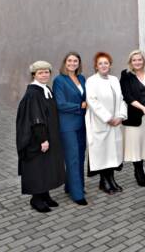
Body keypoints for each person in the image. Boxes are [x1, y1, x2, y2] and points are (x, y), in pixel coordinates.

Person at [16, 61, 65, 213]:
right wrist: (43, 139)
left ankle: (45, 194)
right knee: (37, 167)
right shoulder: (33, 93)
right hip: (37, 139)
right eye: (40, 72)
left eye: (47, 72)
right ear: (34, 75)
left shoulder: (45, 89)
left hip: (49, 136)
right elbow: (36, 119)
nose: (44, 75)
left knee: (46, 166)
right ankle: (36, 199)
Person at [85, 52, 127, 195]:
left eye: (106, 63)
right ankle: (104, 182)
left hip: (115, 124)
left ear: (110, 65)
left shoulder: (114, 80)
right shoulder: (91, 81)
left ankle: (112, 180)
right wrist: (108, 118)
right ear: (96, 66)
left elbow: (121, 99)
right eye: (100, 63)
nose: (103, 65)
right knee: (103, 154)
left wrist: (121, 116)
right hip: (101, 123)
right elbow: (92, 101)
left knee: (112, 154)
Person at [120, 50, 145, 187]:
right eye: (134, 60)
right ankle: (138, 172)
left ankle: (141, 170)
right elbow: (127, 96)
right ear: (130, 62)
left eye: (139, 59)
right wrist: (142, 108)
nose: (137, 62)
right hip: (134, 117)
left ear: (144, 61)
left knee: (143, 144)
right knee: (135, 146)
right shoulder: (125, 75)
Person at [53, 52, 87, 206]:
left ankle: (72, 186)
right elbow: (59, 104)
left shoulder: (81, 78)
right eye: (70, 60)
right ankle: (77, 194)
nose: (73, 63)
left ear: (79, 63)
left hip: (82, 124)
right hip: (67, 125)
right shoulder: (59, 80)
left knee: (80, 157)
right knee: (72, 158)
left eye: (75, 61)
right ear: (65, 63)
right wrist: (79, 106)